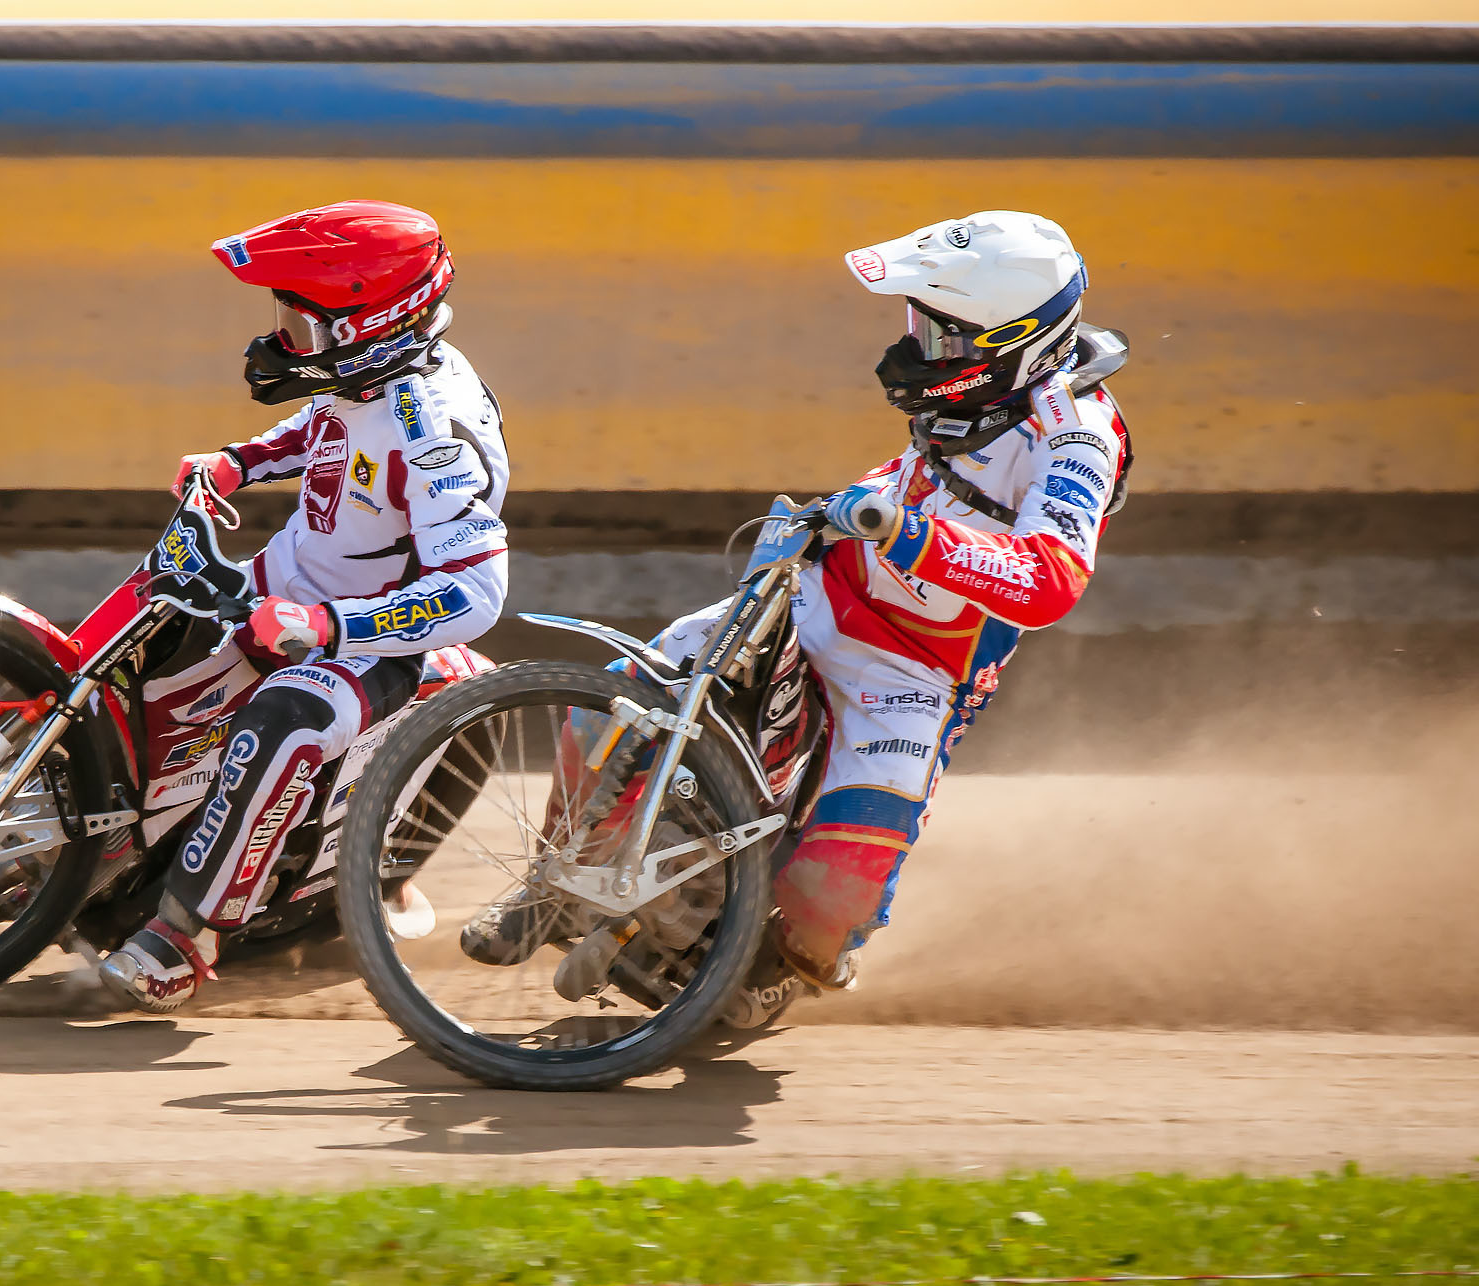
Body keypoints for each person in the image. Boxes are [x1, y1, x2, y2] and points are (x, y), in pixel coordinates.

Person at [467, 209, 1131, 1028]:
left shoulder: (1079, 436)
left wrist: (907, 535)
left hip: (918, 670)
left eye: (941, 335)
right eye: (918, 323)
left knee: (831, 899)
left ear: (1015, 342)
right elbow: (924, 468)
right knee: (612, 704)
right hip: (816, 594)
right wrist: (855, 503)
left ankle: (770, 965)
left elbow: (1050, 578)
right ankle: (549, 881)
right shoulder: (986, 386)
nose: (917, 348)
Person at [98, 200, 513, 1013]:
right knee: (143, 638)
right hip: (283, 590)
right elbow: (324, 425)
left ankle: (186, 938)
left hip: (369, 643)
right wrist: (238, 462)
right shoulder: (368, 373)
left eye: (299, 323)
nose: (280, 339)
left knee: (285, 718)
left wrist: (328, 626)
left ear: (371, 324)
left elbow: (475, 591)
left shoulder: (433, 432)